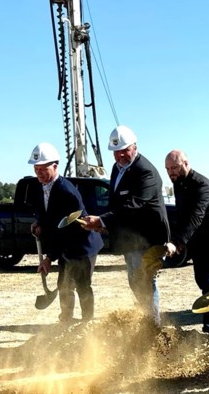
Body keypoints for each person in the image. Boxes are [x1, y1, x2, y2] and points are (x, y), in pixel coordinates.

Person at [83, 125, 169, 325]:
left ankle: (152, 327)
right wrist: (105, 224)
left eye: (124, 150)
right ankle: (146, 319)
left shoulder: (145, 171)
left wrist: (103, 219)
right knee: (135, 280)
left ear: (135, 147)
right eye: (116, 151)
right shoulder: (117, 168)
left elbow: (134, 206)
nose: (120, 155)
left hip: (148, 239)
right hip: (131, 238)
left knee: (146, 281)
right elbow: (116, 203)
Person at [28, 142, 103, 323]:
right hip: (65, 245)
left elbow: (67, 230)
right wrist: (39, 222)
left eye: (43, 169)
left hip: (81, 244)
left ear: (55, 166)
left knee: (82, 285)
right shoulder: (40, 187)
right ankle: (66, 319)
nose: (39, 173)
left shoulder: (66, 191)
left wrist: (49, 257)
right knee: (64, 285)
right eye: (36, 169)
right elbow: (46, 214)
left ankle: (87, 322)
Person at [164, 150, 209, 334]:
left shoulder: (202, 186)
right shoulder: (178, 184)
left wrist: (177, 242)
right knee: (204, 283)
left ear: (185, 163)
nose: (171, 172)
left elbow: (194, 218)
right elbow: (182, 216)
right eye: (167, 169)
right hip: (197, 244)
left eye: (174, 167)